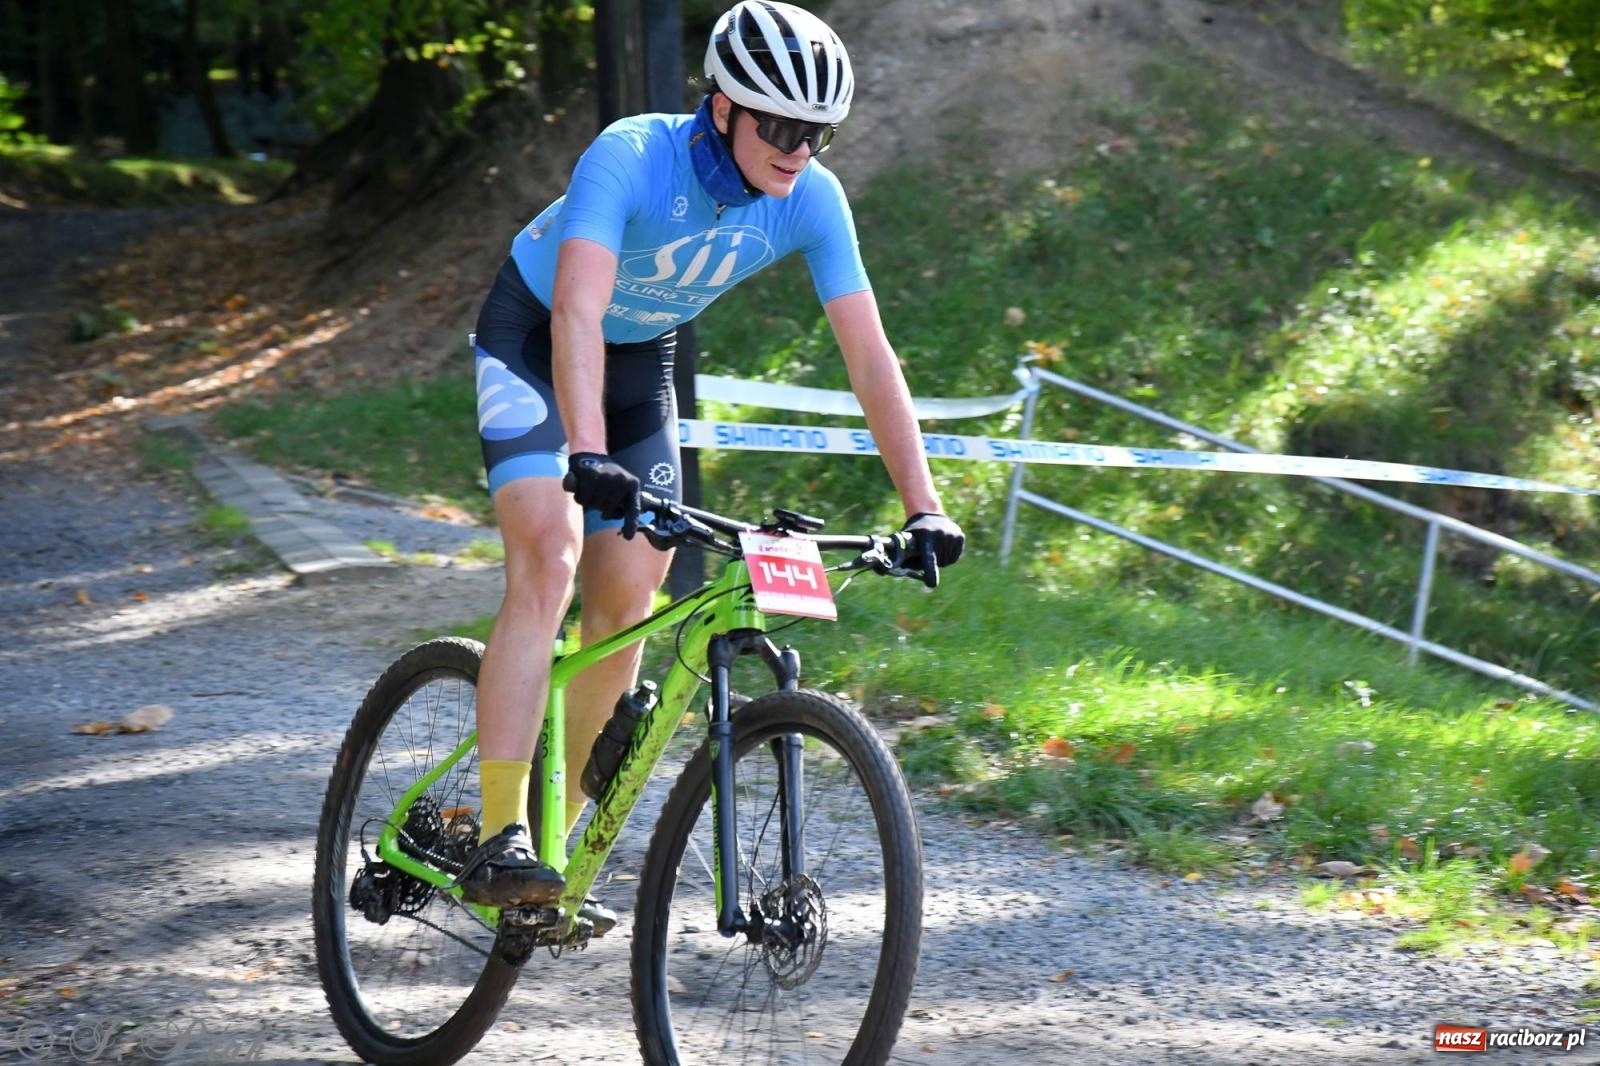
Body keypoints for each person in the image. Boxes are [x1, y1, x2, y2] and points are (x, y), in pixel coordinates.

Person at [455, 0, 966, 920]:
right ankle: (500, 836)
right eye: (781, 127)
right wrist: (585, 453)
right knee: (550, 559)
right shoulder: (631, 153)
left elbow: (869, 356)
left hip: (638, 368)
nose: (800, 150)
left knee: (627, 606)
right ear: (723, 106)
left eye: (818, 132)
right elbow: (576, 311)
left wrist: (923, 504)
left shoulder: (813, 199)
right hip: (535, 339)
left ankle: (550, 862)